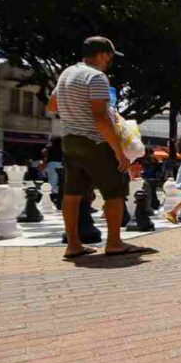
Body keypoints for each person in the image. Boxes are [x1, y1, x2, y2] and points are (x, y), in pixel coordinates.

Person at [47, 36, 145, 258]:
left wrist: (74, 113)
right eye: (110, 56)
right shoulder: (97, 77)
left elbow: (52, 104)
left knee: (71, 194)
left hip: (70, 140)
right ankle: (114, 243)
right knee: (115, 192)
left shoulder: (67, 74)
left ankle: (73, 245)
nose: (110, 61)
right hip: (95, 142)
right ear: (103, 54)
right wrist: (119, 153)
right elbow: (101, 118)